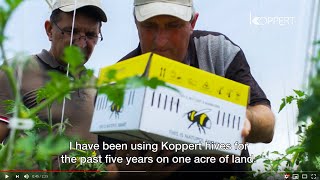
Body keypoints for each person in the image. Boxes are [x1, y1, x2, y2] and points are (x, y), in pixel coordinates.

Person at [99, 0, 275, 179]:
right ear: (136, 23)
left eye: (173, 25)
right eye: (149, 26)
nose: (160, 41)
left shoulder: (216, 50)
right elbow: (108, 165)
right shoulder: (119, 80)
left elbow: (267, 125)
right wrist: (125, 174)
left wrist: (244, 118)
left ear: (192, 23)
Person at [0, 0, 107, 145]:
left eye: (90, 35)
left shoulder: (100, 87)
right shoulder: (17, 71)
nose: (82, 43)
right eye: (72, 31)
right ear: (50, 30)